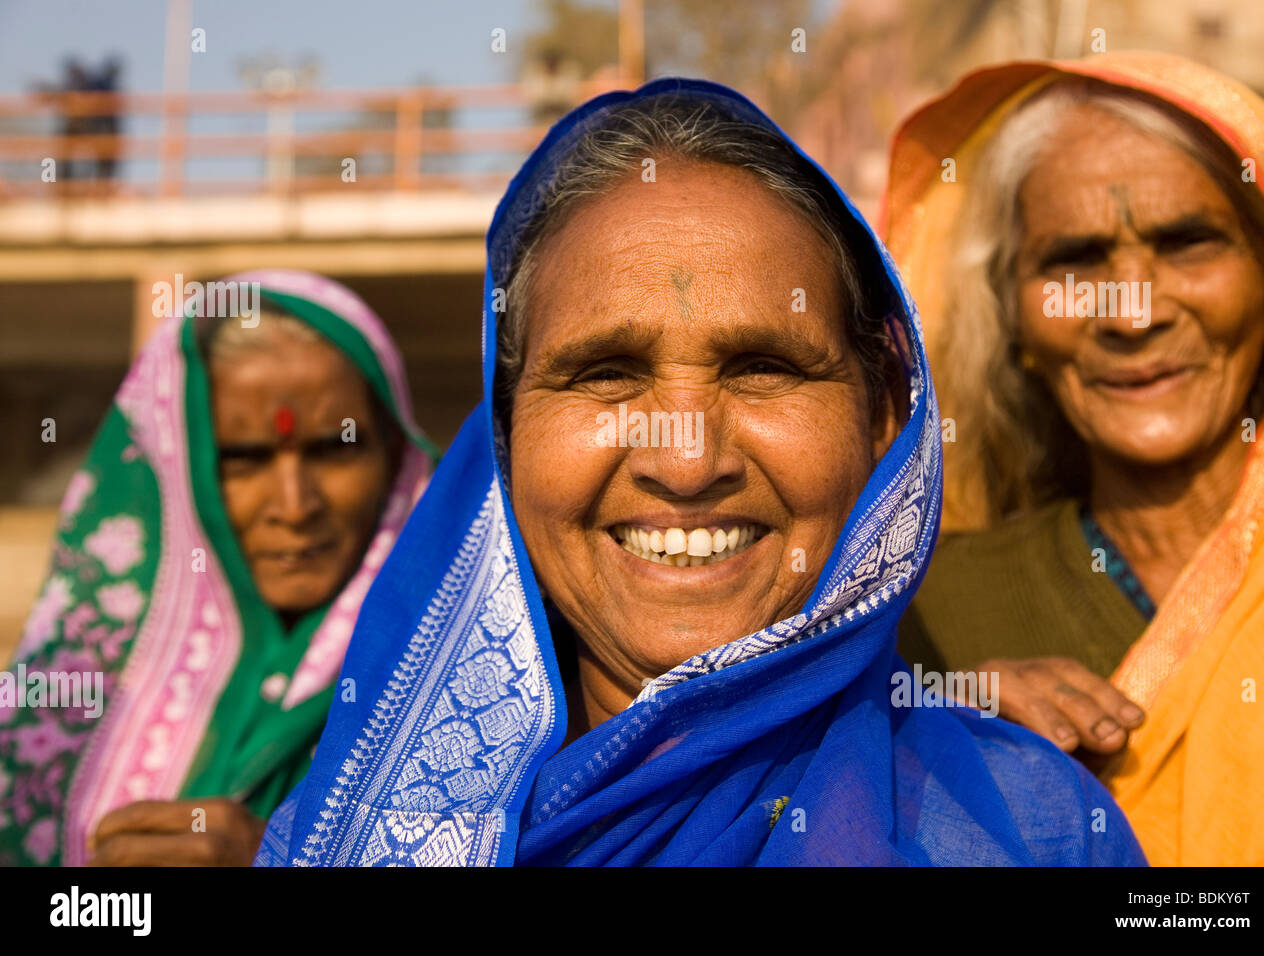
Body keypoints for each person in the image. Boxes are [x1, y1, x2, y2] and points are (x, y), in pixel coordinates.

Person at [254, 80, 1144, 867]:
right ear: (506, 432)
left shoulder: (1034, 831)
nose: (686, 462)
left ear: (884, 419)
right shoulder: (344, 834)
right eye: (605, 374)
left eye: (764, 368)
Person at [885, 52, 1264, 865]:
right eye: (1075, 260)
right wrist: (932, 722)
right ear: (1017, 320)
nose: (1133, 312)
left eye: (1189, 243)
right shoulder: (925, 607)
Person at [0, 270, 436, 865]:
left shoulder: (467, 671)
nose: (294, 505)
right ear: (178, 470)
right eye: (244, 459)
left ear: (393, 456)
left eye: (335, 448)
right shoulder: (63, 689)